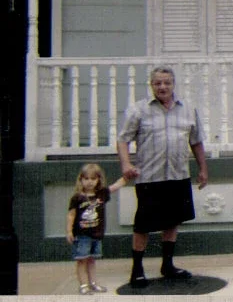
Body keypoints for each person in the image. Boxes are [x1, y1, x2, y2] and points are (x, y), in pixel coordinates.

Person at [117, 65, 209, 288]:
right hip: (150, 177)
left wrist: (203, 169)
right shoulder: (138, 110)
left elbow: (196, 141)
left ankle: (167, 265)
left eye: (167, 82)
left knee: (173, 221)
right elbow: (123, 140)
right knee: (143, 225)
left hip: (178, 175)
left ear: (173, 84)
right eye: (157, 83)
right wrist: (126, 163)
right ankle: (137, 270)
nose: (162, 87)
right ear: (152, 85)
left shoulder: (188, 109)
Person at [66, 163, 129, 295]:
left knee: (92, 260)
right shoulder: (77, 197)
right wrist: (69, 231)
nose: (89, 182)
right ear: (81, 179)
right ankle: (83, 285)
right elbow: (71, 214)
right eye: (86, 179)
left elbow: (115, 186)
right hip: (82, 235)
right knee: (82, 260)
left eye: (93, 179)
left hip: (96, 235)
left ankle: (93, 283)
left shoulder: (101, 194)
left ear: (98, 180)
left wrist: (127, 177)